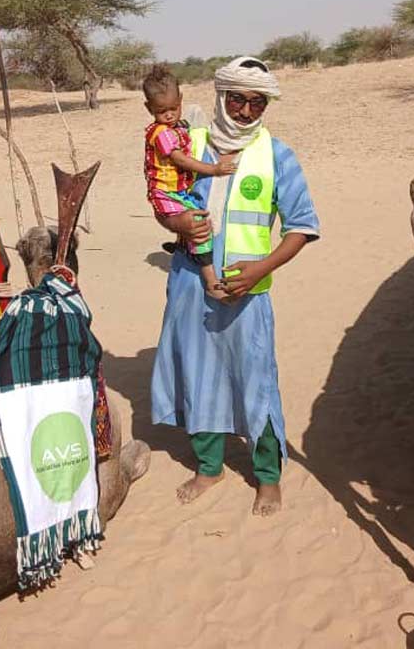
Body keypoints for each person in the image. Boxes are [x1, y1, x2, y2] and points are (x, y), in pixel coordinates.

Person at [150, 56, 320, 516]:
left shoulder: (277, 155)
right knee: (198, 374)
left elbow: (302, 226)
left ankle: (267, 476)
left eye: (257, 102)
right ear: (221, 96)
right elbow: (162, 199)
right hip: (190, 282)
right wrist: (177, 223)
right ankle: (209, 467)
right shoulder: (188, 144)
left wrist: (260, 268)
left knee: (256, 380)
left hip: (249, 292)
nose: (245, 111)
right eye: (238, 100)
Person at [142, 64, 237, 301]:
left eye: (174, 108)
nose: (169, 115)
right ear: (149, 108)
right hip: (166, 192)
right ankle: (211, 280)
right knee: (199, 228)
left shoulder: (175, 127)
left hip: (176, 191)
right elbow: (181, 160)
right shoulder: (161, 133)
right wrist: (214, 170)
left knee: (192, 221)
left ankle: (185, 246)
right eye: (161, 111)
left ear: (181, 100)